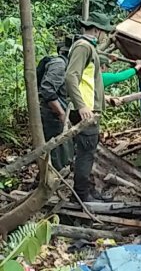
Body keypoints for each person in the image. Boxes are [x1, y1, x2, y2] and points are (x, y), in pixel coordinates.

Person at [64, 12, 114, 202]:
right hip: (85, 111)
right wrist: (82, 105)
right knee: (86, 152)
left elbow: (88, 81)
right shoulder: (83, 47)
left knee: (88, 151)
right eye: (104, 32)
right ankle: (81, 195)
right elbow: (71, 76)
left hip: (88, 107)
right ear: (98, 30)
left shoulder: (87, 48)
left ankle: (87, 190)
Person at [39, 40, 71, 170]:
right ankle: (56, 176)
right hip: (52, 113)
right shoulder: (59, 65)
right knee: (56, 148)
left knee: (63, 147)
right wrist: (61, 113)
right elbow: (47, 89)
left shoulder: (65, 65)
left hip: (57, 111)